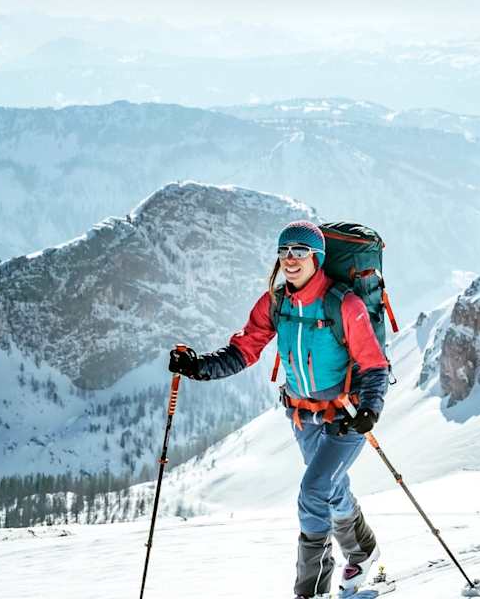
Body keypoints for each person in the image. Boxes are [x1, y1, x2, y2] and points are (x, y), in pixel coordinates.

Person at [167, 220, 390, 598]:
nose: (290, 258)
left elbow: (373, 363)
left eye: (300, 251)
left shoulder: (344, 303)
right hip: (302, 415)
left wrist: (371, 408)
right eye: (284, 251)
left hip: (346, 416)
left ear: (317, 258)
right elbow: (243, 350)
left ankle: (311, 590)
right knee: (331, 487)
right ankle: (362, 550)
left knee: (314, 491)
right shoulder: (276, 303)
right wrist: (199, 367)